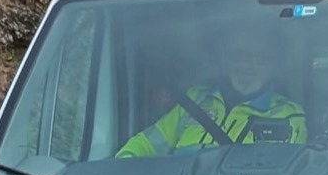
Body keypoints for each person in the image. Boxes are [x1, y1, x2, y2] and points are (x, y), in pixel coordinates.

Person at [117, 31, 307, 157]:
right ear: (225, 59)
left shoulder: (289, 114)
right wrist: (118, 173)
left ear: (274, 67)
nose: (249, 65)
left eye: (261, 58)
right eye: (241, 55)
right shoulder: (196, 98)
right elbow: (145, 145)